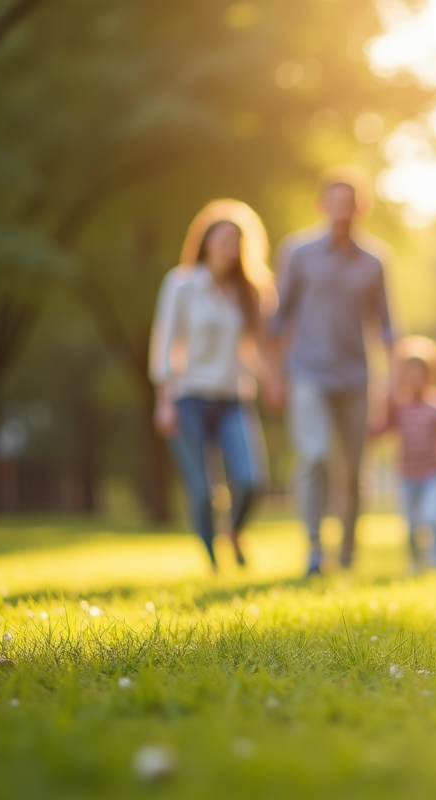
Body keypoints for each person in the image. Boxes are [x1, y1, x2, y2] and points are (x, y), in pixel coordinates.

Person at [266, 168, 395, 577]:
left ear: (361, 207)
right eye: (334, 202)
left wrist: (391, 381)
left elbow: (388, 326)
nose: (342, 210)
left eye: (350, 202)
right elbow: (278, 317)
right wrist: (273, 374)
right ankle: (314, 549)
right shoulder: (298, 252)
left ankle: (348, 548)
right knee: (315, 456)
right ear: (323, 205)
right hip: (307, 372)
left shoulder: (375, 260)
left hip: (356, 377)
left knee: (354, 470)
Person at [149, 199, 276, 571]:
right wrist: (164, 400)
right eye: (222, 238)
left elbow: (251, 349)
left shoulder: (247, 292)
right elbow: (166, 343)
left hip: (233, 397)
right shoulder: (182, 284)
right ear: (205, 242)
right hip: (188, 397)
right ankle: (213, 564)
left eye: (236, 240)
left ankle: (234, 532)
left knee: (252, 480)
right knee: (204, 492)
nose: (229, 247)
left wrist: (271, 380)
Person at [371, 336, 436, 572]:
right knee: (411, 525)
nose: (415, 377)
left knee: (432, 519)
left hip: (433, 473)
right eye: (410, 372)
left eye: (420, 372)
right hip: (406, 474)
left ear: (430, 373)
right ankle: (414, 562)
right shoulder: (397, 403)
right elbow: (381, 430)